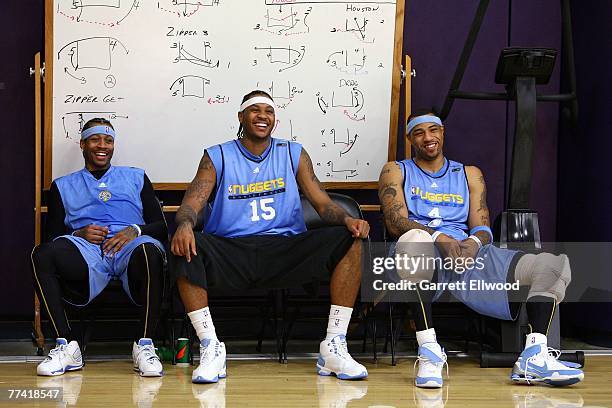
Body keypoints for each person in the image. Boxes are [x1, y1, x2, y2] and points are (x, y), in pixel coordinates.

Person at [170, 90, 370, 383]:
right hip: (233, 249)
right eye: (255, 110)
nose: (262, 116)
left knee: (350, 238)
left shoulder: (293, 152)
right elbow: (191, 204)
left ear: (274, 119)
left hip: (284, 249)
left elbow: (323, 204)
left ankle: (334, 345)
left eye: (269, 111)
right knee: (184, 244)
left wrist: (347, 218)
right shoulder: (217, 155)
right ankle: (210, 344)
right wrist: (185, 224)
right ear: (241, 116)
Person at [377, 109, 584, 388]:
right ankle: (429, 353)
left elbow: (481, 226)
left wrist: (473, 244)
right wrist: (439, 237)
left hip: (465, 254)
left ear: (442, 132)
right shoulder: (396, 169)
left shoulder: (469, 173)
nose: (428, 137)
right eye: (419, 132)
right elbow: (395, 221)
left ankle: (534, 355)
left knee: (553, 264)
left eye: (433, 130)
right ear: (410, 139)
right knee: (415, 241)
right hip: (421, 253)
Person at [31, 118, 167, 377]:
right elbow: (52, 236)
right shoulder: (63, 185)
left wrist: (134, 230)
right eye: (95, 140)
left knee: (150, 251)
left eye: (108, 140)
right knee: (42, 253)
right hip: (87, 251)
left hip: (130, 247)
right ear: (83, 144)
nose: (102, 146)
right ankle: (66, 345)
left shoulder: (135, 176)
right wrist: (77, 232)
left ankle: (145, 345)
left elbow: (160, 226)